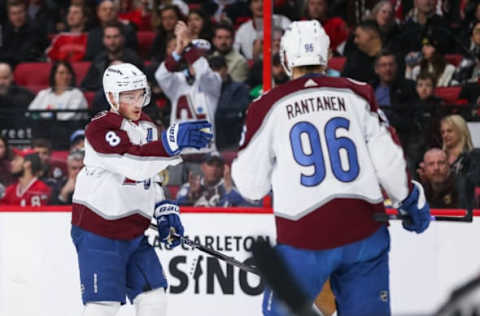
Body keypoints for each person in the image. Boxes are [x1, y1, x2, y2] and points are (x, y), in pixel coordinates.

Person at [231, 20, 431, 316]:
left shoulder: (267, 105)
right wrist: (412, 200)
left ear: (286, 59)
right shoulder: (358, 93)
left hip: (304, 236)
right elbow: (389, 161)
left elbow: (250, 186)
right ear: (325, 55)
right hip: (365, 232)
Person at [71, 62, 213, 316]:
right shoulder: (100, 128)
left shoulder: (146, 125)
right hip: (99, 231)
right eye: (129, 97)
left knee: (153, 299)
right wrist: (170, 144)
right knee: (103, 306)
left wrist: (163, 208)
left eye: (140, 95)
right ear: (112, 97)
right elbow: (134, 164)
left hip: (133, 232)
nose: (137, 103)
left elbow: (151, 175)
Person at [155, 21, 221, 153]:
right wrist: (178, 50)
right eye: (197, 54)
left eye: (203, 55)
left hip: (205, 151)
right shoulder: (178, 80)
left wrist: (189, 46)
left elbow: (202, 72)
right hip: (179, 151)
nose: (199, 58)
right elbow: (161, 75)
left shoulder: (214, 80)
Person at [177, 152, 254, 207]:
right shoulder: (189, 187)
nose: (214, 169)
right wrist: (190, 195)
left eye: (218, 165)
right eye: (210, 164)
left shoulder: (230, 187)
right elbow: (177, 209)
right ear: (203, 167)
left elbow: (248, 208)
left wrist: (230, 191)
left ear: (223, 169)